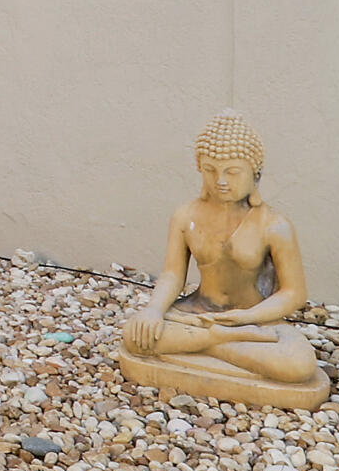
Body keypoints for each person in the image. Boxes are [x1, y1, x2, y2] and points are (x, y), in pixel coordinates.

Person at [117, 113, 326, 403]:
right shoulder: (186, 216)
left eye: (232, 171)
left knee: (299, 364)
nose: (221, 181)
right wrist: (154, 309)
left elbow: (294, 292)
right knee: (134, 333)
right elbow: (173, 275)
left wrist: (247, 317)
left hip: (256, 321)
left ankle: (204, 344)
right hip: (198, 314)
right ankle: (219, 341)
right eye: (210, 170)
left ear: (255, 173)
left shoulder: (274, 225)